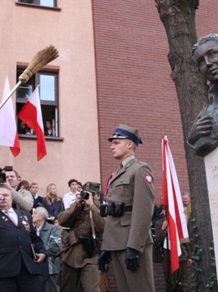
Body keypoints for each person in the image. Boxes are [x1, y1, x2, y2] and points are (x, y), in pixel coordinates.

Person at [98, 124, 155, 292]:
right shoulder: (117, 174)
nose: (111, 147)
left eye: (116, 143)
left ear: (129, 144)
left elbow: (142, 211)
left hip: (132, 243)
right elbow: (113, 214)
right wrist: (106, 247)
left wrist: (134, 247)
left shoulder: (140, 170)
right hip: (116, 243)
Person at [0, 187, 47, 292]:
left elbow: (34, 238)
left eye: (5, 196)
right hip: (3, 271)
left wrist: (41, 251)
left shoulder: (24, 215)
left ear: (12, 198)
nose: (2, 198)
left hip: (28, 270)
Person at [58, 182, 105, 292]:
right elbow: (62, 220)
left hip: (90, 255)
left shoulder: (101, 209)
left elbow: (103, 226)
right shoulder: (78, 206)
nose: (88, 197)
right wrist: (77, 204)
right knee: (67, 288)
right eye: (86, 193)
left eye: (92, 194)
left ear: (97, 196)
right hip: (72, 253)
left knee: (91, 289)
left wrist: (92, 205)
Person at [32, 206, 61, 292]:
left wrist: (43, 253)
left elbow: (55, 245)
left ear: (41, 217)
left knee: (50, 289)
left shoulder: (52, 228)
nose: (32, 216)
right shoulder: (31, 230)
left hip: (50, 266)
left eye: (35, 214)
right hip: (35, 267)